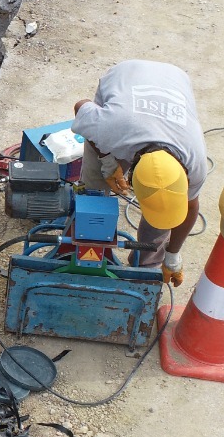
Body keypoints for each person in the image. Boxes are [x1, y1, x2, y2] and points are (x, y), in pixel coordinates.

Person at [70, 60, 207, 286]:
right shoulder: (112, 127)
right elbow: (80, 106)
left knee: (164, 207)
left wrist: (172, 255)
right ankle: (88, 243)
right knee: (94, 187)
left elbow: (191, 206)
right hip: (126, 75)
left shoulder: (195, 162)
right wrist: (106, 160)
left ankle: (145, 263)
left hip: (174, 78)